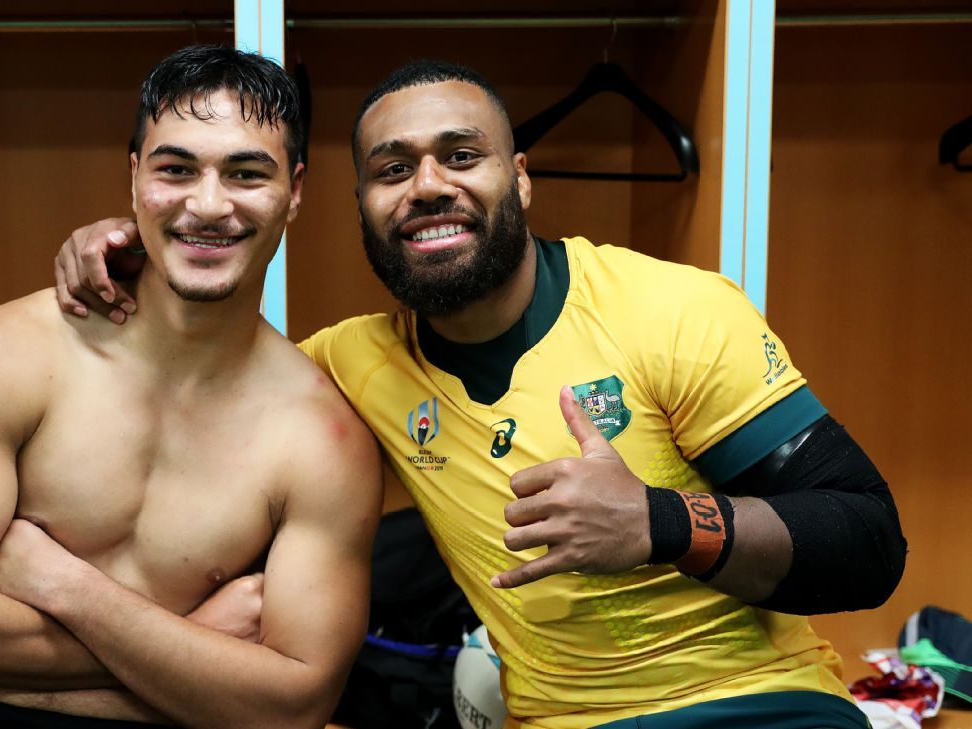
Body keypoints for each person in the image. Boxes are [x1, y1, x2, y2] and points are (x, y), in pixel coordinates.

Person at [53, 60, 908, 728]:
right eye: (392, 169)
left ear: (521, 178)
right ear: (359, 205)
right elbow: (195, 379)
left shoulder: (670, 310)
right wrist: (134, 250)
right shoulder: (348, 366)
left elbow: (869, 538)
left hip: (760, 704)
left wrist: (661, 521)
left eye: (462, 156)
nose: (428, 185)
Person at [0, 45, 382, 729]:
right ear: (135, 176)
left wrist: (68, 587)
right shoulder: (7, 353)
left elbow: (292, 706)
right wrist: (195, 639)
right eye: (176, 169)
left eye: (246, 173)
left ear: (293, 192)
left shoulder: (322, 438)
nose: (209, 205)